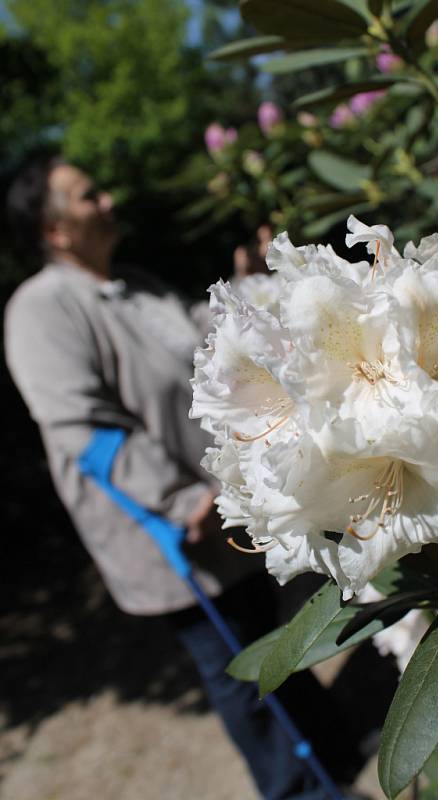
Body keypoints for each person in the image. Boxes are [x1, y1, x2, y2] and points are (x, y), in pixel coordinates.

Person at [4, 156, 368, 800]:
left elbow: (211, 341)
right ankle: (296, 790)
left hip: (224, 502)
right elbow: (83, 427)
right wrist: (178, 500)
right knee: (236, 671)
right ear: (54, 229)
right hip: (173, 532)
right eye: (90, 195)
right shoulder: (39, 310)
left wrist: (248, 285)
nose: (109, 198)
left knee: (273, 640)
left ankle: (332, 755)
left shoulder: (135, 283)